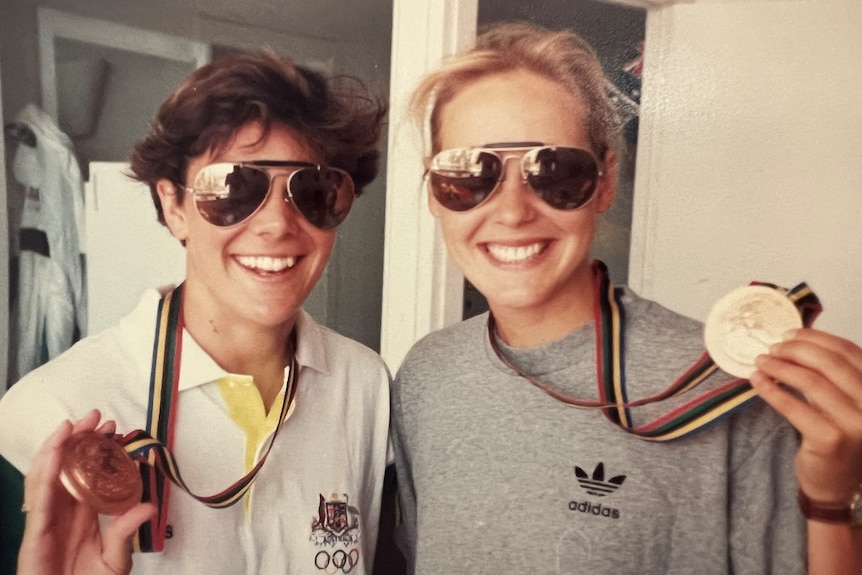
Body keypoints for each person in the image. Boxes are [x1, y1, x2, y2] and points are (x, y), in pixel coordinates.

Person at [390, 22, 862, 574]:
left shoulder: (730, 384)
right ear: (434, 195)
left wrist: (832, 503)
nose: (513, 212)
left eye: (556, 171)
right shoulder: (426, 374)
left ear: (606, 180)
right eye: (468, 176)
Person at [0, 51, 393, 574]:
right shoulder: (46, 411)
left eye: (314, 190)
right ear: (174, 206)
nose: (278, 224)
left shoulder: (363, 385)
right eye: (234, 188)